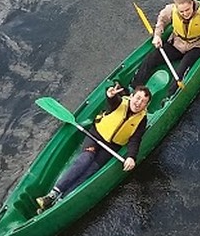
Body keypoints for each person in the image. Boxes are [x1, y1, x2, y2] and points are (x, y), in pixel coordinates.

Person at [36, 83, 151, 212]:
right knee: (86, 159)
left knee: (90, 171)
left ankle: (62, 200)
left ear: (146, 105)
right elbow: (113, 100)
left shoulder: (142, 120)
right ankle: (53, 194)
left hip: (112, 147)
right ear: (131, 96)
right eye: (137, 98)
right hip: (96, 135)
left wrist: (131, 156)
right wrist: (110, 95)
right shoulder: (119, 103)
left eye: (143, 102)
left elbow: (135, 139)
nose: (138, 103)